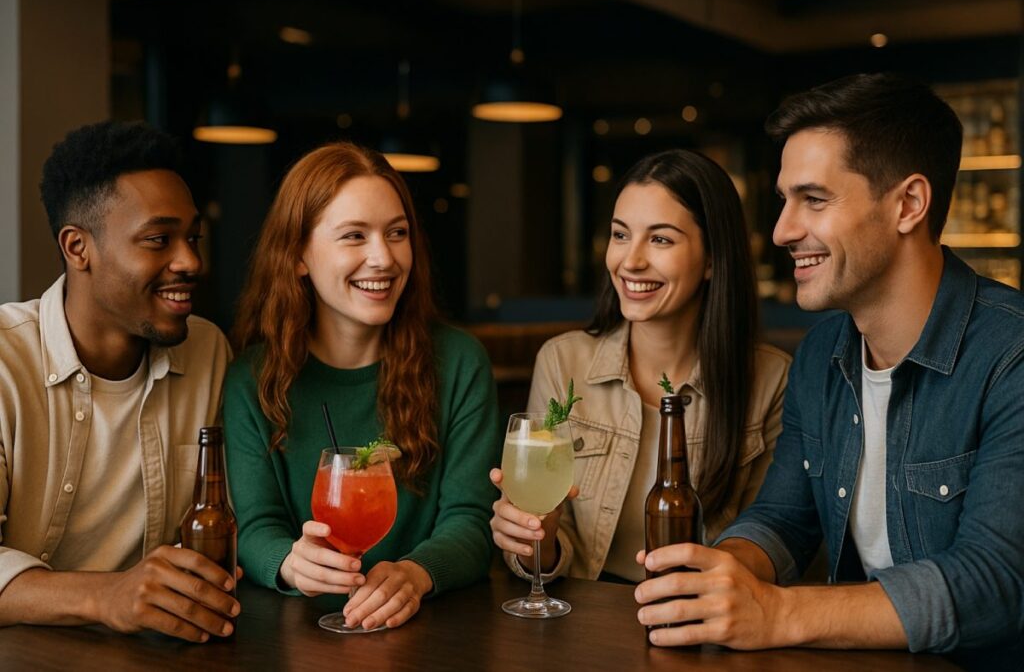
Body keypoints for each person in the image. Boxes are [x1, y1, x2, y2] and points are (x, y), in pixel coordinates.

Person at [634, 73, 1024, 658]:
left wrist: (778, 612)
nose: (783, 230)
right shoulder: (821, 354)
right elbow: (783, 519)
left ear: (908, 205)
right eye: (785, 201)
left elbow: (994, 586)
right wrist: (722, 575)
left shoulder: (1010, 353)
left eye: (813, 200)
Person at [224, 141, 500, 631]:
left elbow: (471, 520)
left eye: (397, 233)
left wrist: (415, 574)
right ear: (298, 256)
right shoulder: (253, 378)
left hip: (429, 633)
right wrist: (289, 562)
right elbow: (254, 523)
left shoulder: (459, 363)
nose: (383, 258)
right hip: (295, 636)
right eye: (354, 235)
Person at [490, 149, 791, 583]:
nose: (630, 261)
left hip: (698, 623)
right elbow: (543, 562)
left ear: (711, 259)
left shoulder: (770, 380)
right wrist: (536, 537)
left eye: (661, 239)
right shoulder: (563, 362)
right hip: (582, 622)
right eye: (620, 235)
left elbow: (773, 535)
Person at [0, 121, 235, 642]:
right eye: (159, 240)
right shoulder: (3, 362)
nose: (191, 261)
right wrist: (107, 595)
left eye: (193, 237)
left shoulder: (208, 352)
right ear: (78, 247)